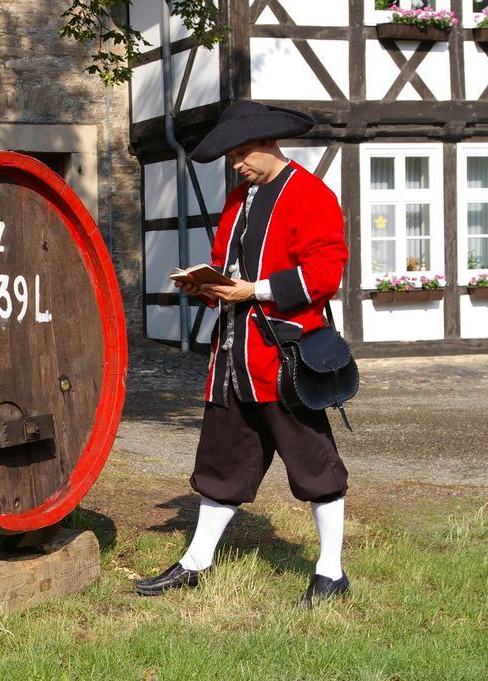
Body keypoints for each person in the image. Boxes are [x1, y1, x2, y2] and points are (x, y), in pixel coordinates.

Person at [133, 100, 351, 606]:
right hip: (232, 359)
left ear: (268, 142)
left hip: (283, 359)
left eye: (239, 154)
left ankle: (331, 571)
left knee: (313, 464)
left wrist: (253, 292)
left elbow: (324, 273)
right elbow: (226, 271)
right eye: (232, 157)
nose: (235, 165)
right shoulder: (239, 200)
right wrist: (205, 286)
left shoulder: (311, 195)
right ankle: (195, 563)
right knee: (222, 462)